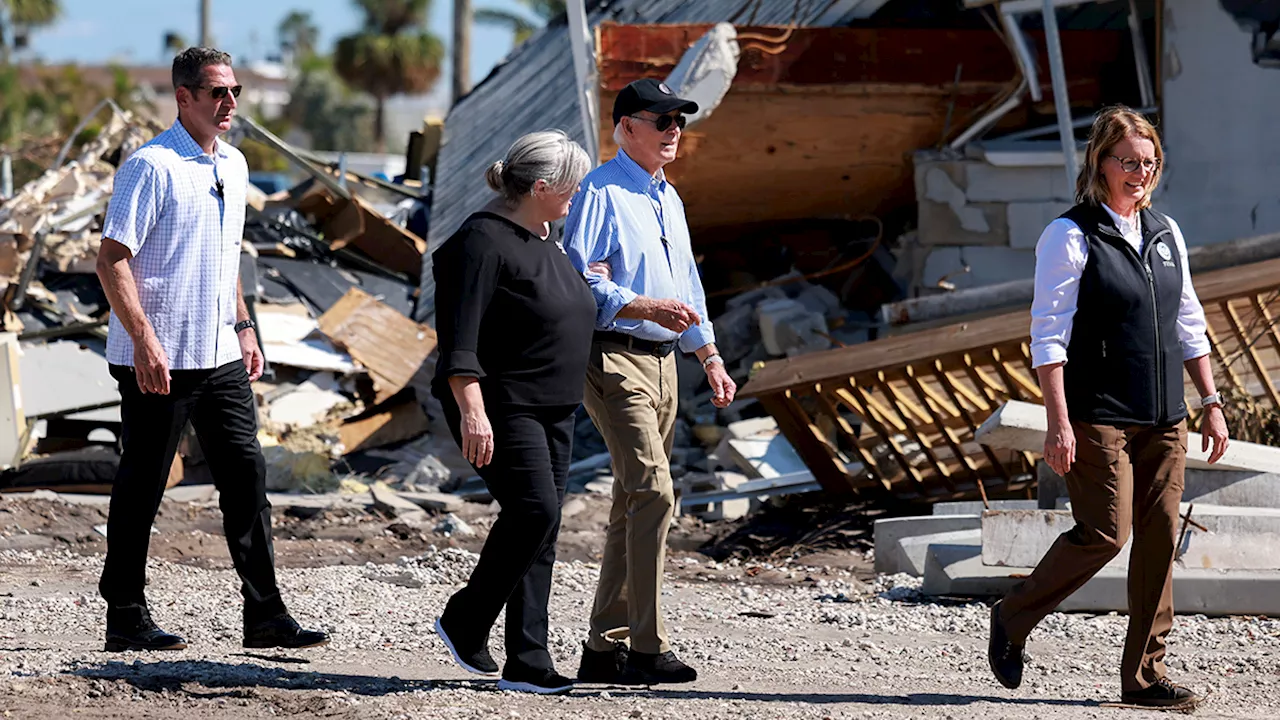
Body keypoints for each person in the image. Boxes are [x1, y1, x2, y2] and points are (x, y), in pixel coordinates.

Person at [987, 106, 1230, 710]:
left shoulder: (1166, 234)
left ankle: (1143, 677)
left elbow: (1189, 323)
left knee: (1159, 535)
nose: (1139, 173)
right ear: (1100, 163)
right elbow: (1048, 336)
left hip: (1165, 415)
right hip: (1097, 412)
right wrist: (1058, 421)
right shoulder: (1070, 236)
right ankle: (1012, 616)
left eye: (1148, 163)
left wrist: (1212, 401)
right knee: (1105, 531)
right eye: (1128, 162)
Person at [94, 48, 328, 652]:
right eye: (217, 92)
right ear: (184, 96)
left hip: (219, 351)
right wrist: (143, 338)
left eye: (235, 92)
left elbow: (226, 258)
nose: (229, 104)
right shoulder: (150, 166)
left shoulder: (238, 165)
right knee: (144, 484)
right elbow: (112, 258)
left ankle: (266, 614)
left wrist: (245, 325)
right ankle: (124, 613)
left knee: (246, 475)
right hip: (158, 356)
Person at [563, 78, 737, 686]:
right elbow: (578, 278)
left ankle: (599, 650)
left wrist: (709, 355)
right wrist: (641, 305)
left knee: (632, 501)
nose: (673, 129)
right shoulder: (600, 191)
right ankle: (646, 648)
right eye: (659, 119)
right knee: (656, 493)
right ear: (624, 128)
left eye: (678, 120)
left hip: (665, 364)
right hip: (613, 357)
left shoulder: (670, 197)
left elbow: (687, 287)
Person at [430, 130, 595, 695]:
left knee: (542, 528)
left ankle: (528, 661)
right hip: (503, 407)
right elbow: (459, 339)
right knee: (532, 512)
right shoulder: (479, 241)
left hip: (555, 407)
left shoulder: (545, 237)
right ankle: (464, 619)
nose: (578, 194)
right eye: (571, 186)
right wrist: (472, 412)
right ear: (543, 186)